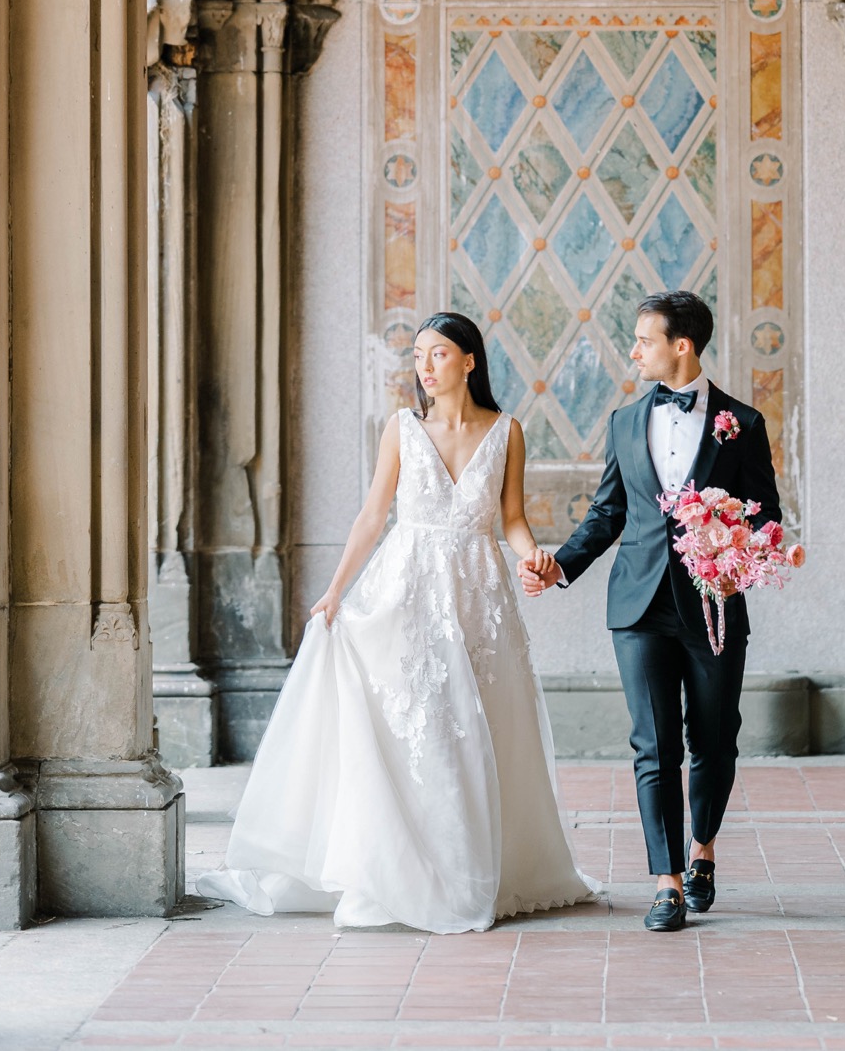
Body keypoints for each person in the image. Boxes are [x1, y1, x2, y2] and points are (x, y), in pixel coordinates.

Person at [198, 310, 595, 933]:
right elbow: (371, 517)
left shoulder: (508, 431)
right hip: (407, 590)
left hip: (479, 593)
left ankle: (479, 867)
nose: (424, 367)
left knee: (479, 731)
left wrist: (533, 557)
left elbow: (511, 518)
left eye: (437, 354)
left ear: (469, 360)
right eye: (417, 356)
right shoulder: (402, 430)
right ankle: (409, 870)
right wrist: (334, 592)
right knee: (425, 728)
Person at [521, 288, 781, 933]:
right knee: (652, 743)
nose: (634, 351)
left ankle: (703, 852)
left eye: (644, 339)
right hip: (637, 602)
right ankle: (665, 881)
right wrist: (563, 565)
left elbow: (766, 516)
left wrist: (727, 542)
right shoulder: (623, 421)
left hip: (713, 601)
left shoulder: (741, 424)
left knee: (714, 738)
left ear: (681, 345)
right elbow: (610, 511)